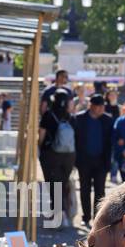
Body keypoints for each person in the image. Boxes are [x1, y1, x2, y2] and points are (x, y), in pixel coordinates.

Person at [39, 88, 76, 227]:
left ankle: (60, 215)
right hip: (69, 155)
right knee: (63, 183)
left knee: (53, 185)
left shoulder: (48, 115)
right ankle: (64, 213)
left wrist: (40, 148)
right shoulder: (70, 117)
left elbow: (41, 134)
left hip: (50, 154)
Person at [74, 93, 113, 226]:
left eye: (103, 106)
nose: (102, 109)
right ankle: (85, 217)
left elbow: (110, 143)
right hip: (83, 160)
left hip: (101, 161)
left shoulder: (108, 120)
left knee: (100, 190)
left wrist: (109, 162)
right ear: (92, 106)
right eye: (100, 106)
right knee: (84, 189)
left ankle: (97, 218)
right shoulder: (79, 118)